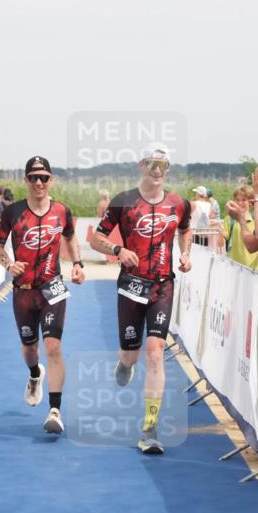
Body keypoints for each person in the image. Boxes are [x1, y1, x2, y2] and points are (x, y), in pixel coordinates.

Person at [92, 149, 191, 455]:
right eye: (151, 164)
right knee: (131, 356)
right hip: (131, 286)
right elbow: (97, 238)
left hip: (163, 285)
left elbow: (185, 230)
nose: (157, 170)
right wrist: (117, 250)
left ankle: (149, 428)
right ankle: (124, 363)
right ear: (141, 166)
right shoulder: (123, 201)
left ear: (168, 169)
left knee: (156, 351)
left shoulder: (178, 203)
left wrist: (185, 253)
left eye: (162, 165)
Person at [0, 155, 84, 435]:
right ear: (26, 180)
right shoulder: (13, 212)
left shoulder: (62, 211)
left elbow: (70, 237)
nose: (39, 182)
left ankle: (55, 410)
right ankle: (35, 374)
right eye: (33, 177)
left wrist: (77, 264)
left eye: (44, 177)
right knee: (30, 350)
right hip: (23, 292)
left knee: (53, 347)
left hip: (52, 287)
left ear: (51, 179)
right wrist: (9, 264)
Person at [223, 185, 258, 271]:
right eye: (237, 200)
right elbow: (221, 243)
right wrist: (220, 234)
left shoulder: (257, 220)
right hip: (234, 268)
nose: (240, 203)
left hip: (254, 269)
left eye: (244, 200)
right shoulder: (229, 219)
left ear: (251, 202)